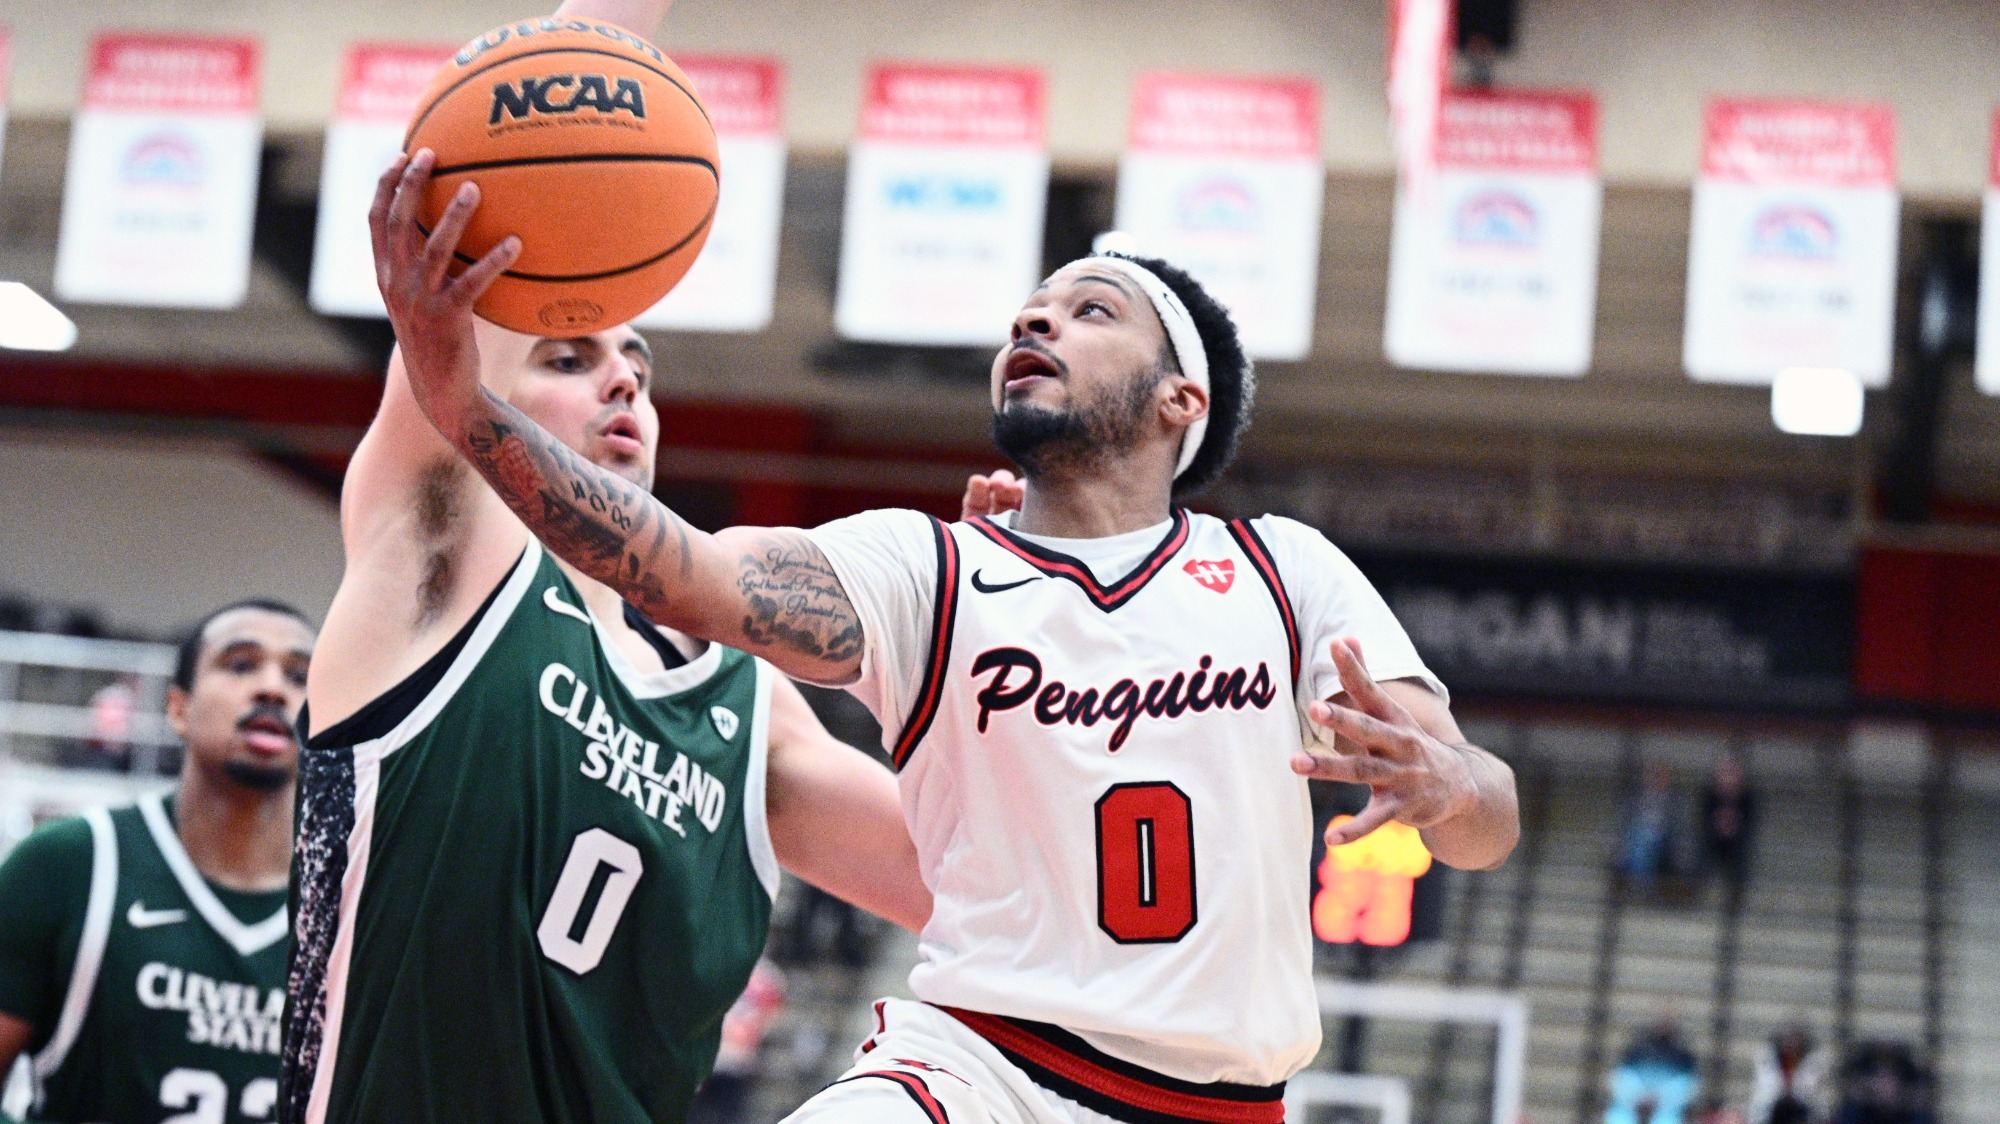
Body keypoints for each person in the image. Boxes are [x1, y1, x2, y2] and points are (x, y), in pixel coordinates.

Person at [383, 143, 1519, 1118]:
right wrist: (464, 407)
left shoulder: (1283, 568)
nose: (1035, 317)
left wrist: (1451, 785)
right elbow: (690, 574)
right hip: (975, 1067)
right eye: (1030, 307)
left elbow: (1485, 813)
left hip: (1220, 1095)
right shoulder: (929, 567)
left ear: (1181, 400)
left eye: (1090, 310)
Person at [278, 5, 946, 1119]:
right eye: (569, 353)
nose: (624, 378)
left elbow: (983, 892)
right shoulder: (438, 558)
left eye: (635, 360)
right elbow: (484, 220)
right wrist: (599, 40)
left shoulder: (740, 700)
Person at [0, 600, 314, 1123]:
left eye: (299, 675)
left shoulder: (353, 904)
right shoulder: (70, 864)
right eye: (241, 664)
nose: (273, 689)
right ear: (177, 708)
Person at [1749, 1023, 1831, 1124]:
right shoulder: (1768, 1057)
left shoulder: (1812, 1059)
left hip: (1803, 1106)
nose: (1791, 1043)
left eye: (1795, 1039)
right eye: (1788, 1039)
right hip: (1772, 1108)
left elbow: (1811, 1088)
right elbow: (1767, 1087)